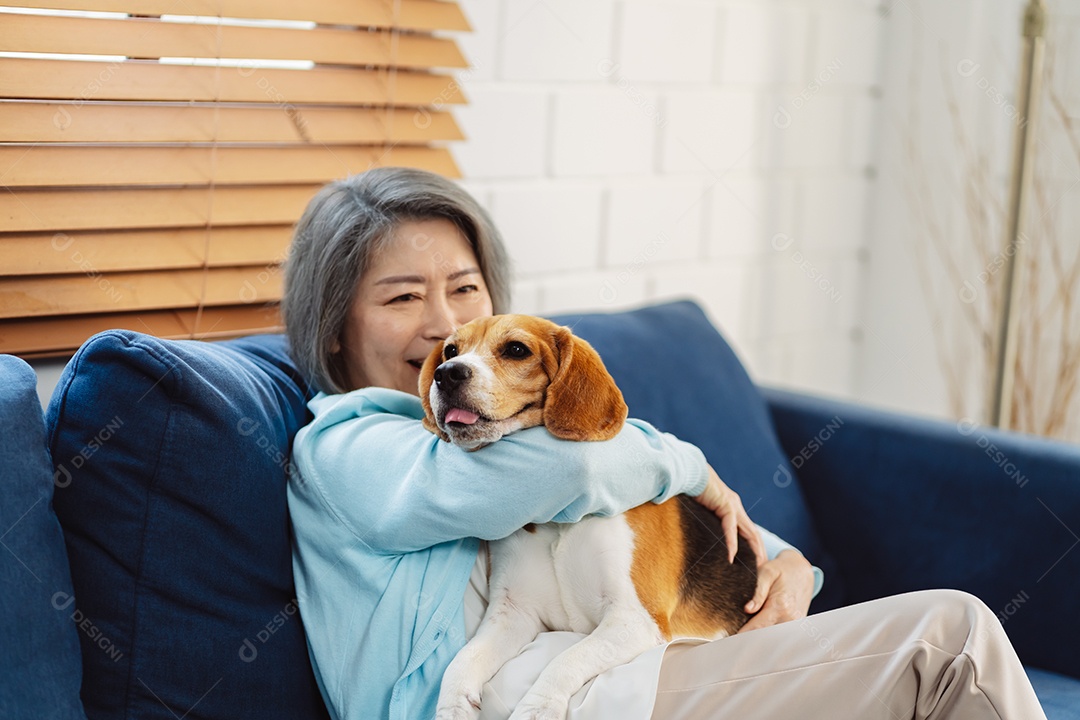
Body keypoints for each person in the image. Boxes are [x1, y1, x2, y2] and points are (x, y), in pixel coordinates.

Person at [282, 167, 1047, 720]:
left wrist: (789, 566)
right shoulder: (346, 449)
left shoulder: (497, 420)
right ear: (334, 326)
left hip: (626, 665)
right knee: (953, 640)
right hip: (538, 692)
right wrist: (695, 467)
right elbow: (582, 462)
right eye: (402, 296)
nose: (443, 326)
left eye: (464, 287)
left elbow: (683, 535)